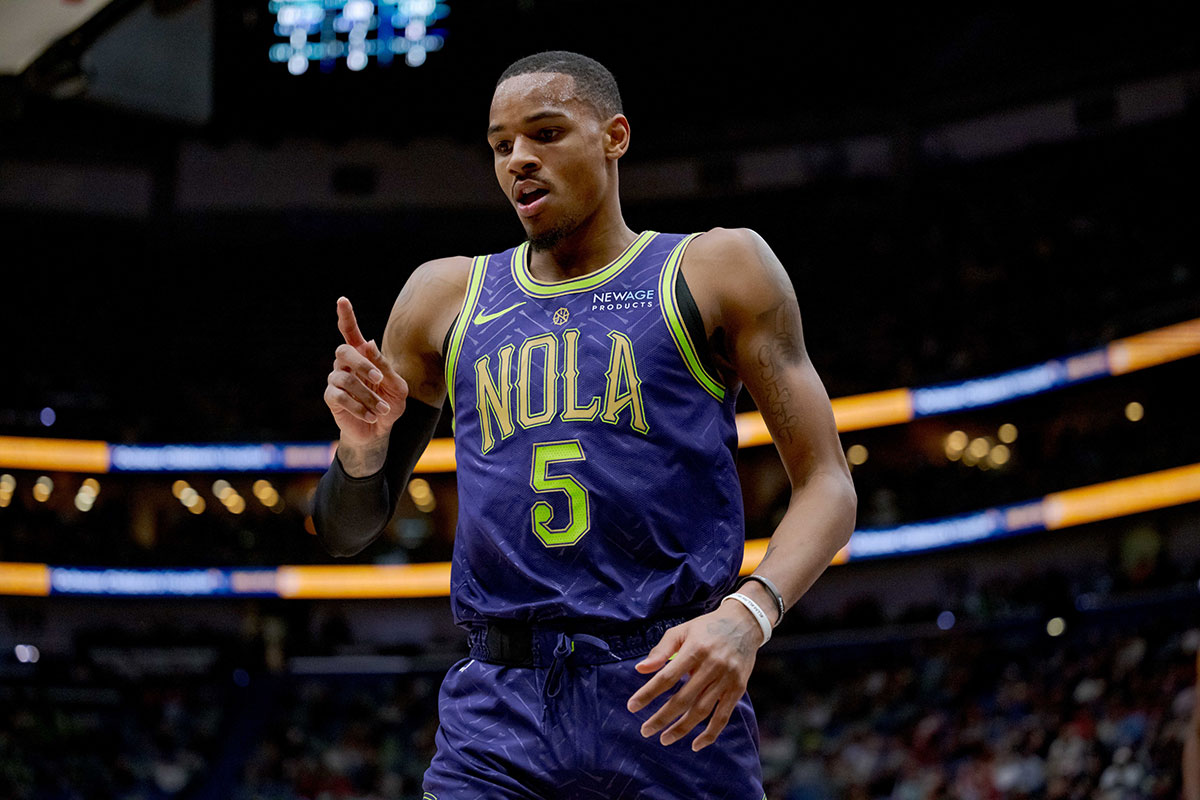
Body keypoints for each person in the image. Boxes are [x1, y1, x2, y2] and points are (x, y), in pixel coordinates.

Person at [313, 50, 856, 799]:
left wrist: (748, 616)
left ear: (615, 136)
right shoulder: (443, 295)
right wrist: (362, 447)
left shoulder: (717, 268)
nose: (519, 161)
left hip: (668, 685)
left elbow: (829, 484)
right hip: (498, 706)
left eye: (545, 133)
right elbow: (345, 532)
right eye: (502, 146)